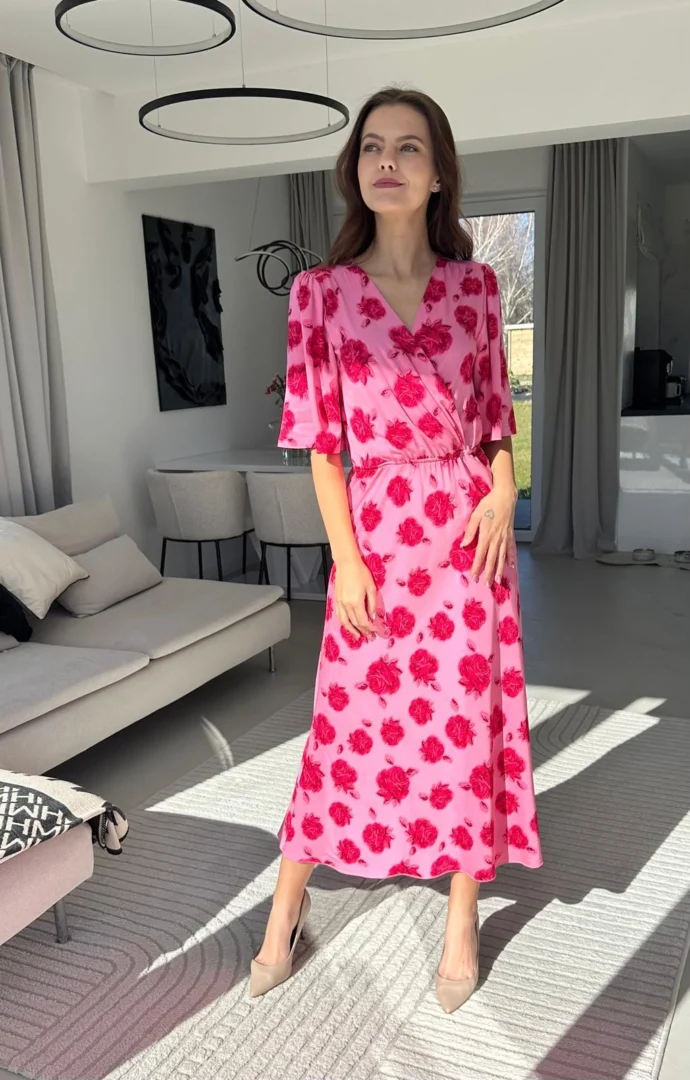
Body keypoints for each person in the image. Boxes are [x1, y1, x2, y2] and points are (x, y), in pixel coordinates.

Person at [251, 86, 543, 1013]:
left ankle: (461, 914)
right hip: (374, 535)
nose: (388, 160)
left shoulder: (477, 288)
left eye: (409, 147)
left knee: (461, 728)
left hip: (466, 540)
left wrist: (504, 490)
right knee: (342, 727)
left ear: (439, 172)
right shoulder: (319, 295)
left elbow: (495, 421)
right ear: (356, 171)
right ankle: (285, 908)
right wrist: (346, 563)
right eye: (373, 146)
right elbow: (320, 444)